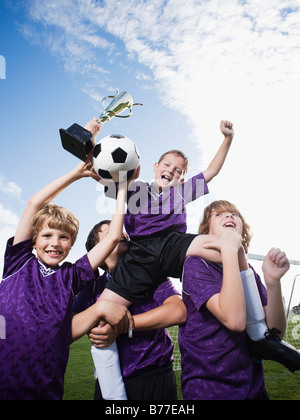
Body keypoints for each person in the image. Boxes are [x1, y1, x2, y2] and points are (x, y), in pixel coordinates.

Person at [89, 120, 234, 398]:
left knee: (226, 246)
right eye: (167, 164)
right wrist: (93, 143)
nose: (172, 170)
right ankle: (113, 395)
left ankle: (256, 331)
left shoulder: (182, 192)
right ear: (155, 167)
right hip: (140, 254)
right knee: (101, 317)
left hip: (173, 246)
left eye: (178, 170)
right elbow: (102, 172)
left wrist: (227, 138)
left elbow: (212, 171)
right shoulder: (133, 188)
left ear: (182, 179)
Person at [0, 120, 134, 400]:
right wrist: (77, 173)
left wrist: (122, 188)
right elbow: (34, 204)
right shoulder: (18, 263)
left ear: (71, 244)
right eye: (47, 235)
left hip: (45, 388)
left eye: (63, 238)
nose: (54, 243)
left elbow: (110, 240)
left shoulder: (71, 277)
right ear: (34, 240)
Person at [178, 200, 294, 400]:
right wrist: (230, 250)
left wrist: (272, 282)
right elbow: (234, 320)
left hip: (252, 385)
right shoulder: (196, 264)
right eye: (219, 215)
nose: (229, 216)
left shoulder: (249, 273)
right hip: (208, 387)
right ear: (206, 231)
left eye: (234, 214)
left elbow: (275, 333)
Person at [72, 220, 187, 400]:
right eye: (111, 232)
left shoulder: (150, 272)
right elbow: (71, 325)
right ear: (98, 249)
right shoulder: (92, 286)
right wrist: (91, 326)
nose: (123, 233)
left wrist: (122, 326)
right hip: (108, 378)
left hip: (154, 378)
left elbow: (178, 311)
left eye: (122, 230)